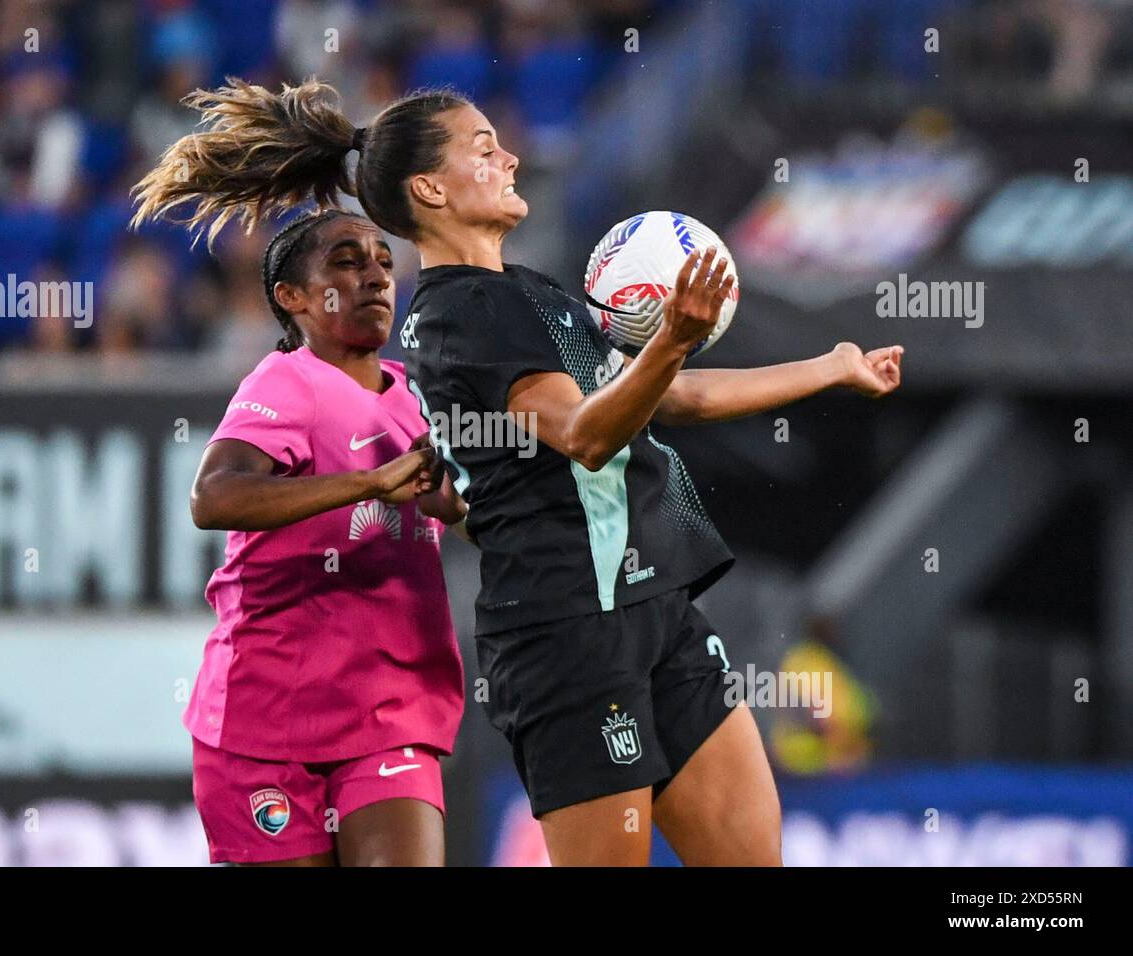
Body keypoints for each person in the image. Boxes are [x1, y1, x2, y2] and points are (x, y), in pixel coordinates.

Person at [134, 77, 904, 866]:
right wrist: (669, 338)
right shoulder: (456, 315)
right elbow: (585, 435)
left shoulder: (529, 293)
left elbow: (669, 397)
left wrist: (831, 367)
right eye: (483, 146)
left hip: (657, 608)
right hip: (566, 635)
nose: (509, 155)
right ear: (431, 188)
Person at [131, 159, 468, 864]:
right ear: (293, 298)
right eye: (345, 265)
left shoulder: (417, 399)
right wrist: (367, 484)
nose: (375, 276)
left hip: (389, 713)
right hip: (266, 722)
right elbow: (212, 497)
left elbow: (456, 508)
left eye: (382, 262)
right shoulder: (289, 382)